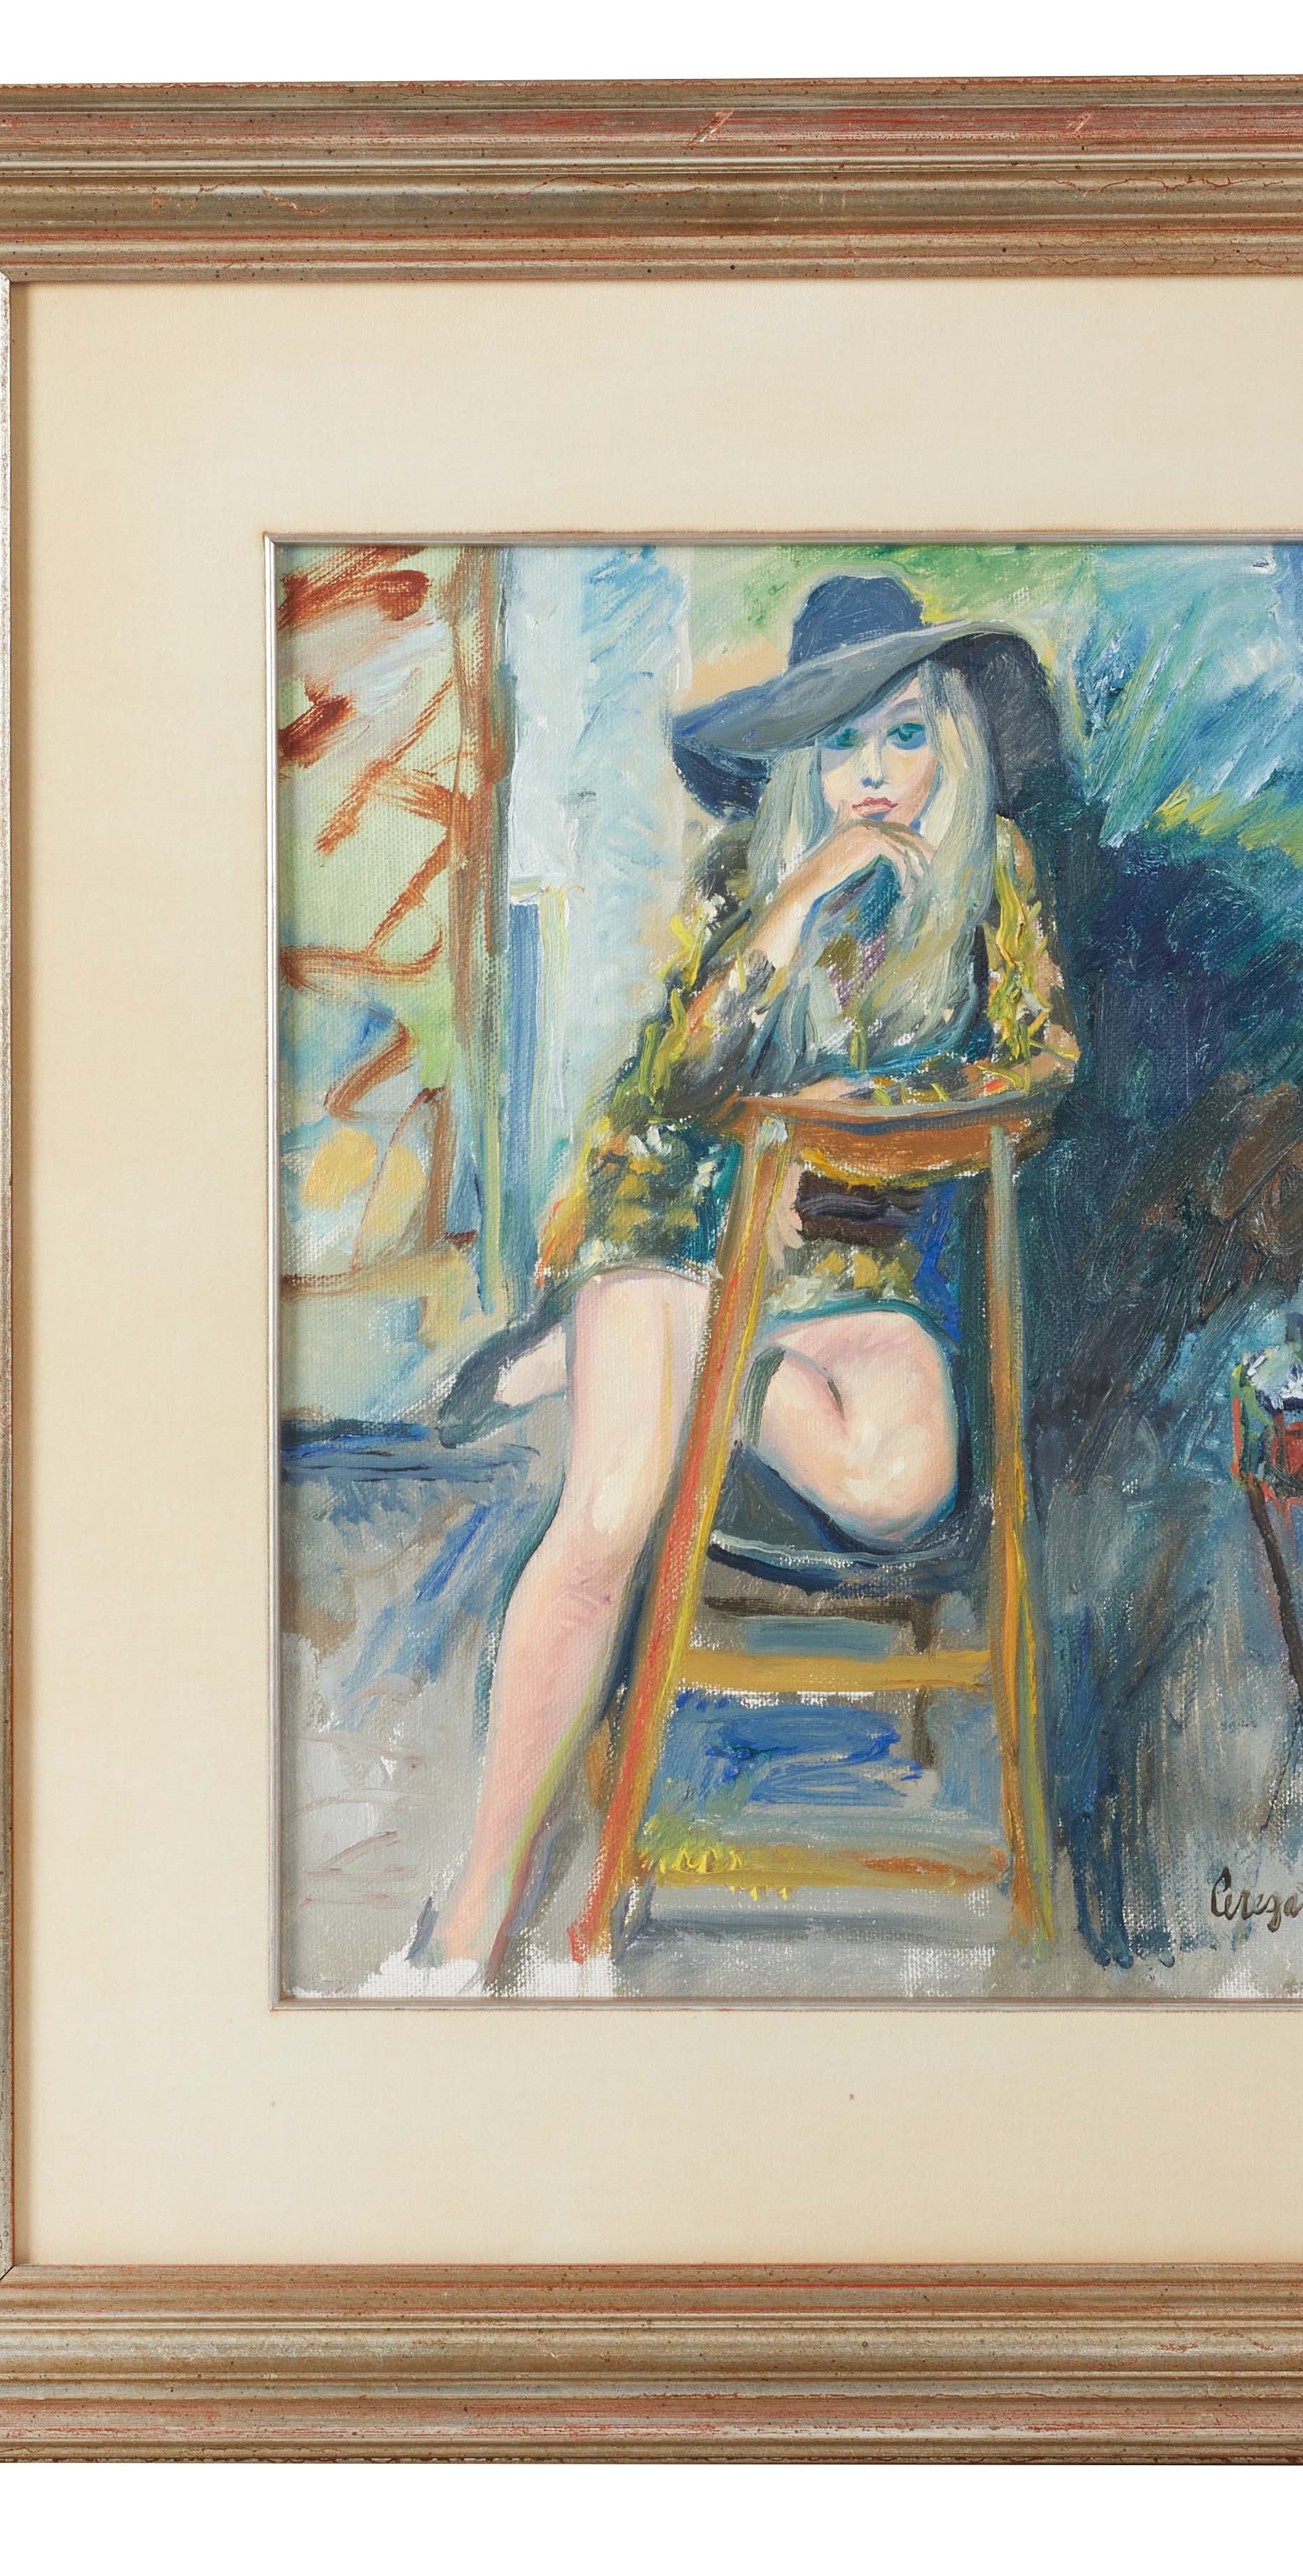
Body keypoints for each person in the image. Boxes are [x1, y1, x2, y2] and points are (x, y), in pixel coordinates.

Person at [370, 572, 1078, 1993]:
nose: (872, 774)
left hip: (857, 1272)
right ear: (803, 764)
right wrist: (795, 906)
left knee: (901, 1481)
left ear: (951, 741)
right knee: (609, 1514)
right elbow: (680, 1083)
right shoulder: (746, 878)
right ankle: (472, 1919)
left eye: (903, 735)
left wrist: (864, 1124)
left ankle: (613, 1354)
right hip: (685, 1229)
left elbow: (1039, 1072)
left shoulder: (992, 879)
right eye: (841, 744)